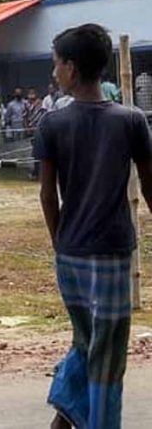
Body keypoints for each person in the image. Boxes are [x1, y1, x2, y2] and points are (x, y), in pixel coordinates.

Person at [34, 24, 152, 429]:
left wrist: (59, 243)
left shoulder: (52, 124)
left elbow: (49, 196)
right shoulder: (132, 120)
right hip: (114, 252)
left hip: (71, 253)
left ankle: (63, 420)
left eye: (55, 65)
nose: (53, 73)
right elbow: (150, 188)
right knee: (107, 354)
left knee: (86, 343)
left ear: (70, 68)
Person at [26, 88, 47, 180]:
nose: (31, 97)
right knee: (34, 152)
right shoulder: (27, 104)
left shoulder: (40, 104)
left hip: (39, 130)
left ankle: (38, 173)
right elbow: (26, 117)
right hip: (31, 131)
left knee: (39, 151)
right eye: (29, 94)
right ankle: (35, 172)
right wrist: (28, 127)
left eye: (32, 94)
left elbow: (41, 116)